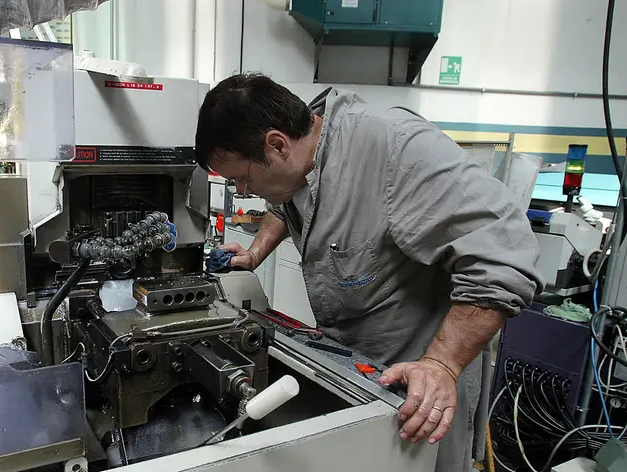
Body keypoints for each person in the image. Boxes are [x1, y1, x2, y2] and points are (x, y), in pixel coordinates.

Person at [195, 73, 543, 472]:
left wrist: (442, 365)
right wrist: (257, 251)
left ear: (277, 144)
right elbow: (282, 199)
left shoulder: (395, 151)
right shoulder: (302, 155)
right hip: (356, 368)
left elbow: (505, 253)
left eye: (242, 178)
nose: (241, 192)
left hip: (423, 388)